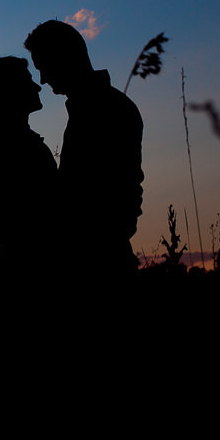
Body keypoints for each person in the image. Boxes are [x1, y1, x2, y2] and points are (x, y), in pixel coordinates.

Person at [24, 20, 144, 277]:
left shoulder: (108, 110)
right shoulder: (91, 109)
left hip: (100, 264)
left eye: (44, 66)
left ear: (65, 57)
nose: (43, 79)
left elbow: (122, 193)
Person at [0, 56, 59, 278]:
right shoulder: (9, 149)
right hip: (34, 269)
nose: (37, 86)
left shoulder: (10, 144)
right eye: (27, 80)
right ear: (8, 91)